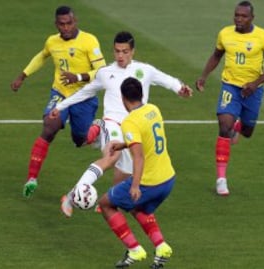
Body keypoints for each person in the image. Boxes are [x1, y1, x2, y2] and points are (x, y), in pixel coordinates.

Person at [49, 31, 193, 217]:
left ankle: (109, 201)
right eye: (117, 51)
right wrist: (60, 107)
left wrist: (180, 89)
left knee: (126, 169)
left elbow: (167, 80)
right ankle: (71, 196)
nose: (120, 56)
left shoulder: (145, 70)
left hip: (134, 127)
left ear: (132, 51)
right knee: (112, 157)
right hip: (113, 124)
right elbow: (84, 92)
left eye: (125, 51)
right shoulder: (105, 73)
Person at [10, 6, 106, 198]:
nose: (66, 27)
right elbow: (42, 56)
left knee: (80, 139)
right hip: (60, 94)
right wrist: (23, 76)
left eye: (69, 23)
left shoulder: (89, 41)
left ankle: (97, 128)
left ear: (75, 21)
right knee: (49, 126)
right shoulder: (52, 42)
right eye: (61, 24)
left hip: (84, 97)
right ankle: (31, 179)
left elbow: (102, 71)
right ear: (56, 24)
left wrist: (78, 77)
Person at [195, 1, 264, 196]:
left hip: (253, 91)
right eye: (236, 15)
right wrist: (203, 76)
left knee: (248, 131)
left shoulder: (263, 37)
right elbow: (216, 55)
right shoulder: (225, 34)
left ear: (252, 18)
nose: (239, 19)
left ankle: (238, 126)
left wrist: (255, 83)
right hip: (230, 87)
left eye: (243, 16)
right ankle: (221, 179)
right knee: (224, 126)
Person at [97, 77, 175, 268]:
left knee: (105, 203)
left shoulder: (130, 122)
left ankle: (134, 249)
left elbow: (138, 156)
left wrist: (135, 185)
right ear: (141, 94)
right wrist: (123, 144)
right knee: (138, 208)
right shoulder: (153, 109)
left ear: (123, 98)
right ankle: (161, 246)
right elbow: (147, 138)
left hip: (150, 182)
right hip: (168, 179)